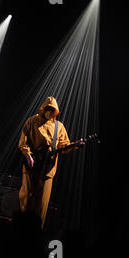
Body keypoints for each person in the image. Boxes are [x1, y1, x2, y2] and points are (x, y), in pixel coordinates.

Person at [18, 96, 84, 228]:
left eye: (52, 109)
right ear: (43, 108)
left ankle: (37, 231)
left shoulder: (59, 127)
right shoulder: (32, 121)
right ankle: (20, 228)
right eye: (48, 108)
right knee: (26, 199)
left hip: (48, 169)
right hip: (31, 167)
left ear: (56, 111)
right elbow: (22, 142)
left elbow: (63, 146)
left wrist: (75, 145)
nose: (50, 111)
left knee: (42, 204)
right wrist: (28, 155)